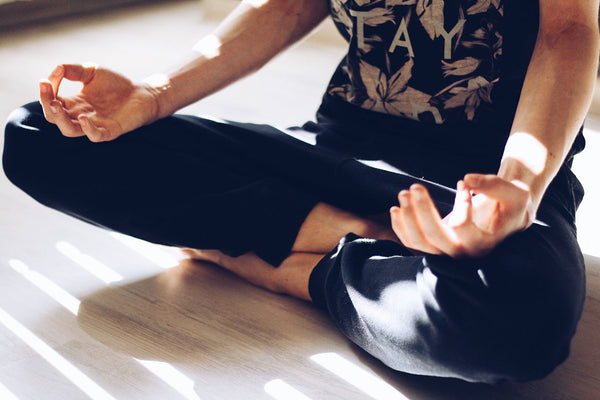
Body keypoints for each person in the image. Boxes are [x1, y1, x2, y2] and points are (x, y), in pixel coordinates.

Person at [3, 0, 599, 384]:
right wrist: (153, 97)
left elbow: (569, 30)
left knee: (520, 322)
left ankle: (275, 263)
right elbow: (288, 4)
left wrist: (518, 186)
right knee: (38, 133)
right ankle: (368, 234)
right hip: (336, 151)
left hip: (485, 181)